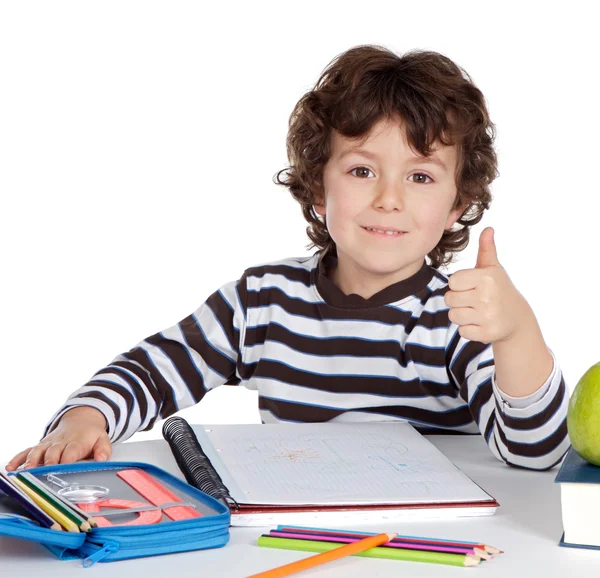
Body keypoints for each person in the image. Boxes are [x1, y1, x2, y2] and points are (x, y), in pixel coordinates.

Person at [7, 45, 569, 473]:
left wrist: (516, 332)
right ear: (318, 191)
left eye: (420, 176)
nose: (389, 198)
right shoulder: (262, 302)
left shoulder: (462, 316)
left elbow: (536, 453)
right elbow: (152, 371)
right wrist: (86, 419)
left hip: (441, 543)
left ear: (456, 206)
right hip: (297, 534)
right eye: (361, 170)